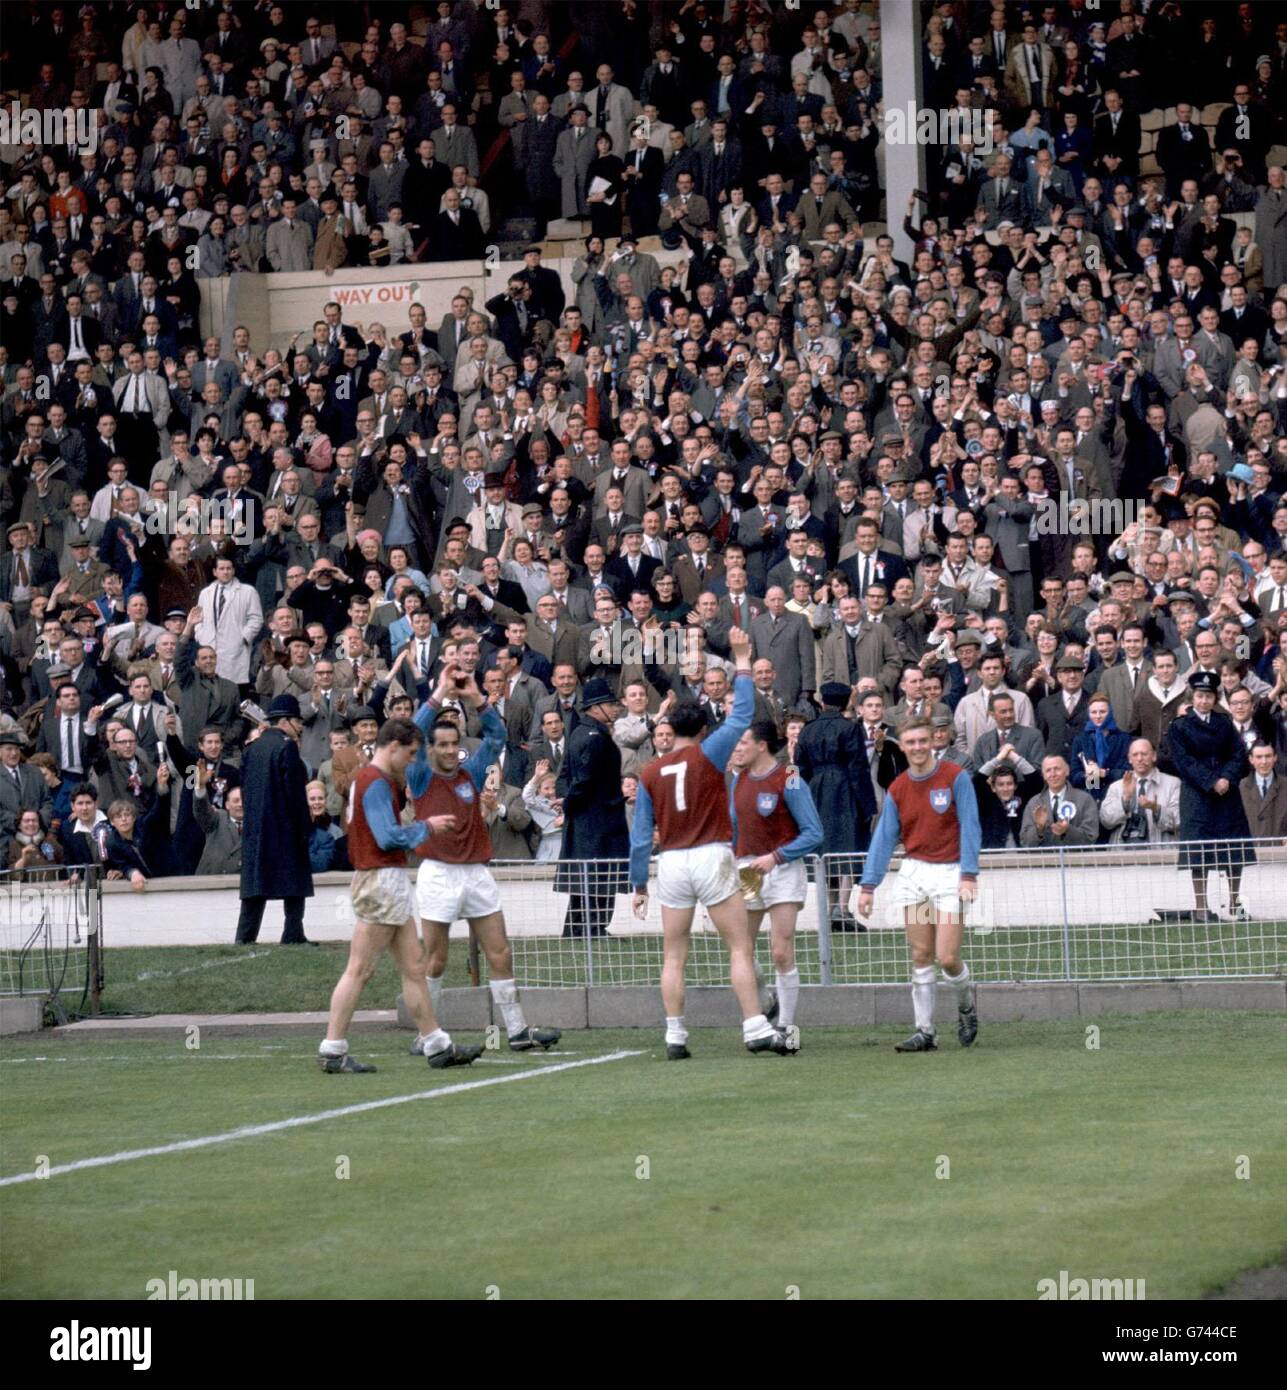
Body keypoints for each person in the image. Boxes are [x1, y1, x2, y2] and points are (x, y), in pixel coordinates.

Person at [629, 626, 790, 1060]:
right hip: (711, 854)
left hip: (673, 863)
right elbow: (742, 717)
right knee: (738, 946)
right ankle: (755, 1025)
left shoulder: (647, 773)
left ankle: (675, 1034)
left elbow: (641, 836)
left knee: (674, 954)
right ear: (701, 729)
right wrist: (740, 660)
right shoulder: (706, 753)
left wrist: (638, 885)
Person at [409, 662, 561, 1054]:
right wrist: (441, 691)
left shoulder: (471, 772)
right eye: (439, 744)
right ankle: (427, 1033)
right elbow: (408, 735)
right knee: (437, 959)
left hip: (476, 872)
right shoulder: (421, 776)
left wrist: (476, 696)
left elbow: (497, 735)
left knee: (501, 951)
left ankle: (517, 1031)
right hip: (438, 874)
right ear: (430, 748)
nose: (447, 751)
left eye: (452, 744)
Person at [318, 718, 480, 1074]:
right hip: (381, 879)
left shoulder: (368, 779)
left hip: (382, 880)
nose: (411, 761)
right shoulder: (374, 781)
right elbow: (387, 836)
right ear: (393, 746)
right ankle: (332, 1049)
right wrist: (427, 826)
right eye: (409, 753)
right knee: (360, 969)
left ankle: (437, 1044)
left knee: (414, 968)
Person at [857, 716, 982, 1053]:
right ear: (902, 745)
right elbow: (884, 839)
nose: (916, 748)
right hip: (914, 873)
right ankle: (925, 1031)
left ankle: (966, 1006)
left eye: (922, 741)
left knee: (948, 957)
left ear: (933, 741)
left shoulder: (956, 778)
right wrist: (868, 885)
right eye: (910, 742)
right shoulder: (897, 788)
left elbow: (971, 826)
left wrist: (969, 874)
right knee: (921, 953)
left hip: (951, 873)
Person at [730, 721, 824, 1045]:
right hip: (746, 869)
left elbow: (814, 832)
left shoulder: (791, 777)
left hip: (781, 869)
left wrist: (776, 857)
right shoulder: (736, 779)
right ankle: (766, 1001)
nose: (736, 749)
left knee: (781, 952)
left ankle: (787, 1028)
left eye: (742, 743)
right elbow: (731, 828)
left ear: (761, 745)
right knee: (742, 948)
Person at [1167, 670, 1255, 922]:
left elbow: (1238, 755)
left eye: (1208, 696)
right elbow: (1184, 762)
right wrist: (1210, 781)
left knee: (1233, 848)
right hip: (1197, 795)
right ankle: (1201, 906)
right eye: (1199, 696)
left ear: (1215, 698)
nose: (1204, 701)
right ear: (1192, 697)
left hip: (1226, 793)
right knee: (1199, 851)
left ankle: (1235, 902)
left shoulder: (1224, 723)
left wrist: (1226, 777)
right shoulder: (1180, 726)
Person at [794, 681, 877, 931]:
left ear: (822, 702)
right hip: (844, 789)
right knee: (847, 846)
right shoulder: (850, 728)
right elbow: (858, 768)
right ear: (846, 703)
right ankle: (842, 908)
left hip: (816, 791)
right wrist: (868, 805)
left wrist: (793, 798)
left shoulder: (806, 730)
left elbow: (796, 767)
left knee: (826, 850)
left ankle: (830, 911)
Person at [236, 695, 314, 944]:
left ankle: (245, 937)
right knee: (295, 882)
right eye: (297, 721)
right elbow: (295, 794)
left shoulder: (251, 749)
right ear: (286, 721)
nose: (300, 726)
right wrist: (304, 826)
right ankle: (293, 933)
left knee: (254, 888)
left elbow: (246, 792)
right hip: (284, 828)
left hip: (256, 829)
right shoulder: (286, 746)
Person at [555, 675, 628, 938]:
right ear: (595, 708)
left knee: (587, 879)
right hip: (599, 820)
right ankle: (593, 928)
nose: (614, 708)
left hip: (588, 817)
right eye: (609, 704)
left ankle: (577, 929)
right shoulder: (595, 737)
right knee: (599, 877)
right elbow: (583, 781)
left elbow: (564, 776)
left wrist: (566, 800)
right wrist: (568, 802)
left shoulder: (578, 732)